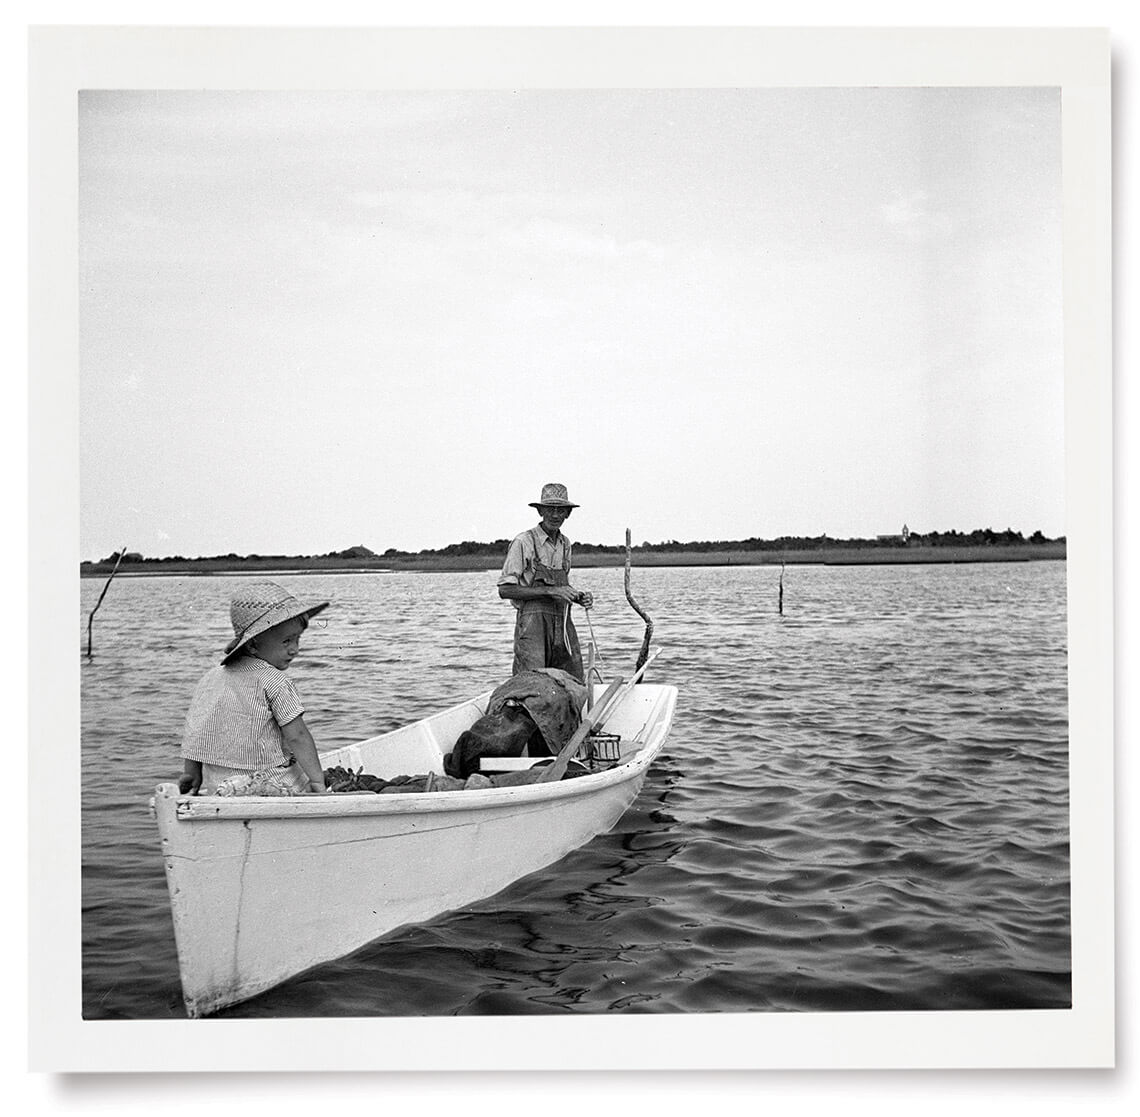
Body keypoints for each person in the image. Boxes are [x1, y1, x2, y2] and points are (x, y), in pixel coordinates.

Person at [178, 581, 330, 796]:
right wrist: (317, 781)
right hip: (270, 784)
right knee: (305, 778)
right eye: (286, 641)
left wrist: (192, 772)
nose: (295, 649)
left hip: (219, 785)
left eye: (297, 639)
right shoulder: (275, 680)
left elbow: (198, 730)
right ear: (253, 644)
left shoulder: (210, 679)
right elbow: (297, 736)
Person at [497, 482, 594, 682]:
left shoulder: (566, 544)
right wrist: (551, 592)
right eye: (550, 509)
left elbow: (561, 587)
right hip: (533, 625)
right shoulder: (524, 541)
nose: (555, 515)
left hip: (563, 623)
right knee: (530, 684)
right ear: (541, 511)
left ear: (568, 513)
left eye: (561, 510)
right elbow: (505, 590)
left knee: (572, 681)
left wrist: (578, 597)